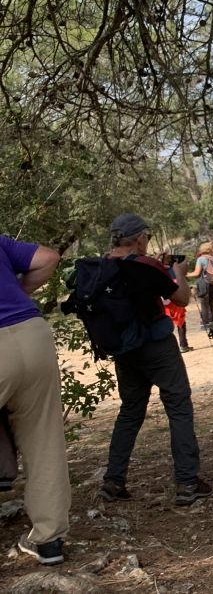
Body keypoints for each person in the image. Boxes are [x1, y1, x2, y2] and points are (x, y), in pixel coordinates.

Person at [92, 214, 211, 507]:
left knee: (130, 412)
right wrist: (178, 272)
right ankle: (187, 482)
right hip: (157, 346)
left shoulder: (102, 266)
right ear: (139, 238)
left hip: (124, 349)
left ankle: (113, 481)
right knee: (178, 407)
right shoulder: (146, 266)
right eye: (147, 236)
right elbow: (181, 298)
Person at [0, 235, 70, 565]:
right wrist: (17, 292)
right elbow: (48, 257)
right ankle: (49, 540)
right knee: (43, 440)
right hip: (31, 331)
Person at [187, 242, 213, 333]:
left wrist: (185, 275)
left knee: (204, 304)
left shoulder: (201, 259)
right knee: (211, 302)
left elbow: (197, 273)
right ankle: (211, 320)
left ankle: (204, 323)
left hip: (204, 284)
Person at [162, 253, 191, 352]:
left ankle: (167, 347)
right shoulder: (176, 270)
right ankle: (183, 345)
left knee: (165, 323)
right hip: (176, 299)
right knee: (181, 322)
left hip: (164, 302)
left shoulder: (158, 269)